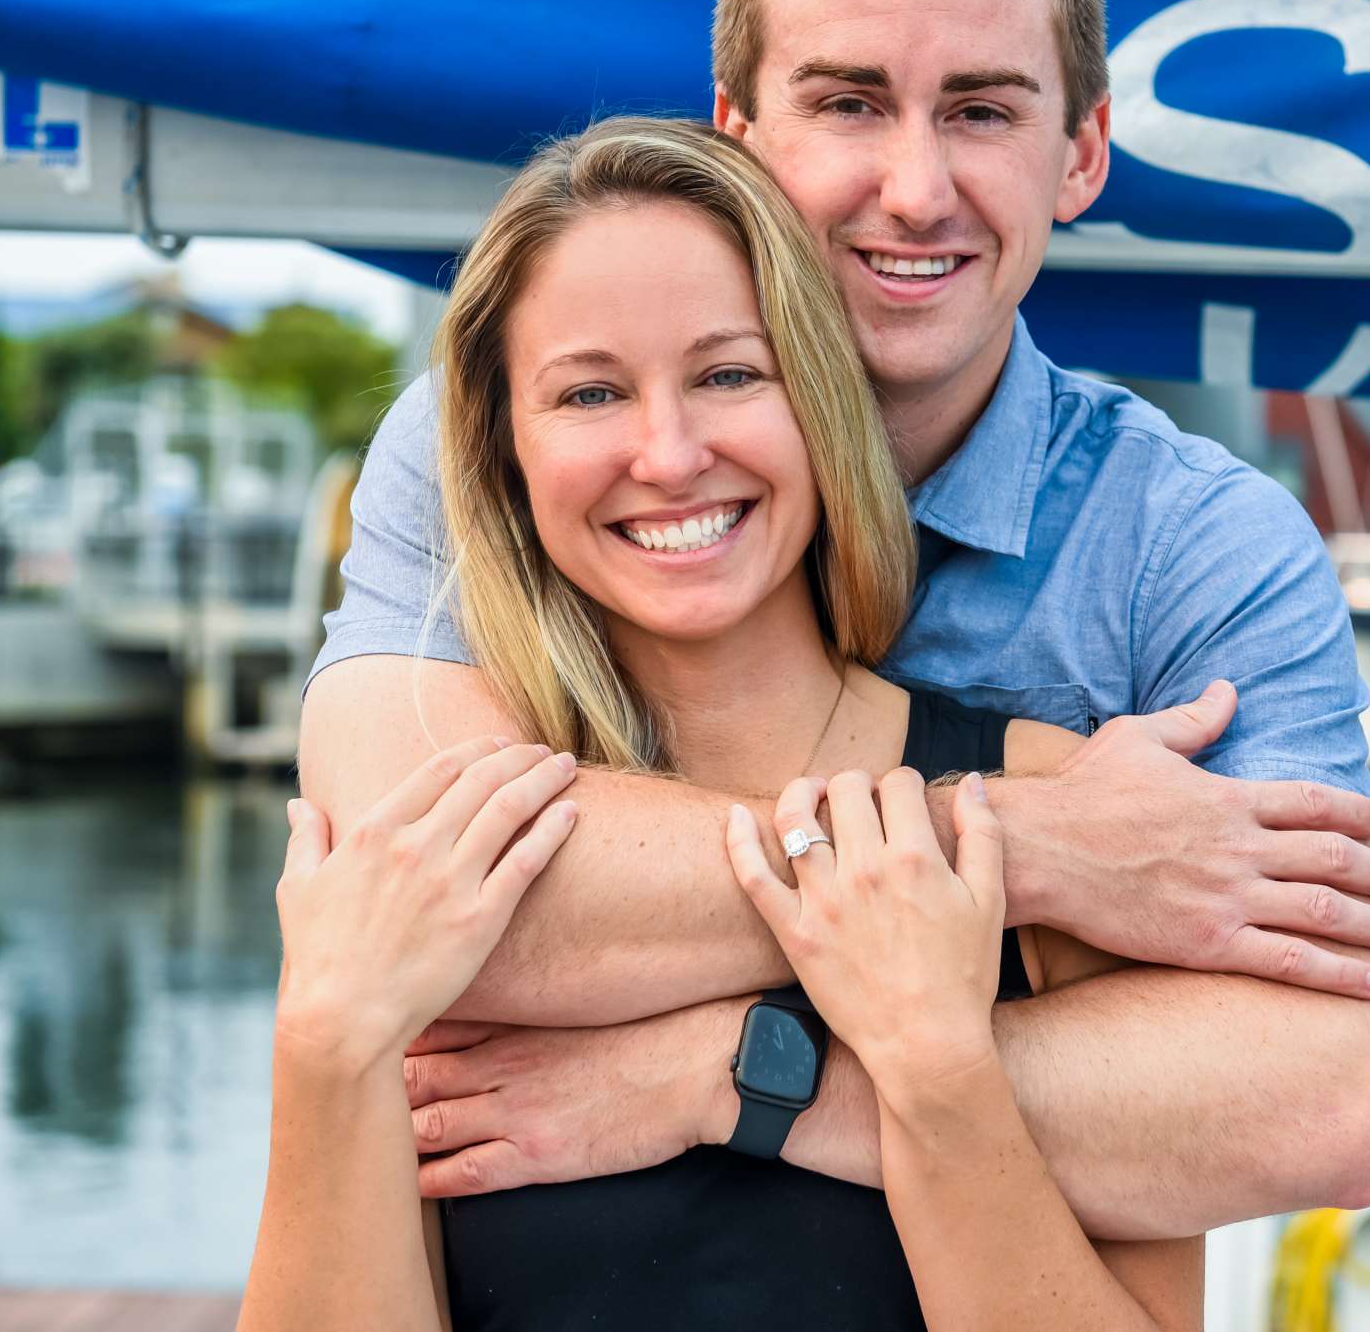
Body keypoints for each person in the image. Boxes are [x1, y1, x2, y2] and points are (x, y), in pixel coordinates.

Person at [301, 0, 1370, 1246]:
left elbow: (1319, 1100)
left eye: (982, 111)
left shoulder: (1194, 549)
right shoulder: (512, 438)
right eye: (847, 103)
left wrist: (721, 1078)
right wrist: (1026, 842)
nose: (913, 187)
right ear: (740, 134)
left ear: (1080, 153)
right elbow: (425, 895)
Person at [249, 117, 1200, 1328]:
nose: (670, 452)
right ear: (504, 453)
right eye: (590, 392)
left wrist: (937, 1075)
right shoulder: (454, 864)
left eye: (729, 374)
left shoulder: (1064, 814)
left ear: (824, 399)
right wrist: (325, 1046)